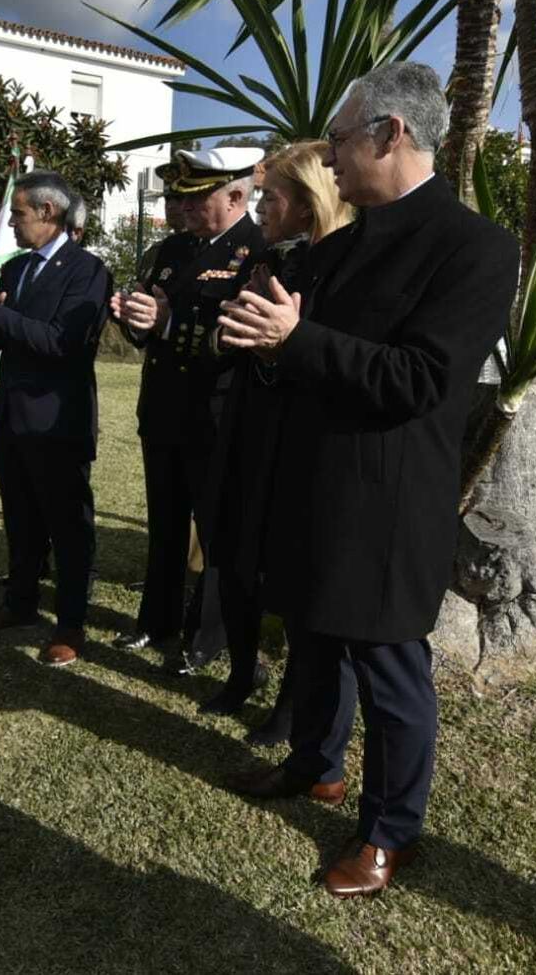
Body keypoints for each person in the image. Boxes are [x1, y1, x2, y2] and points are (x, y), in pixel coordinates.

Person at [217, 63, 518, 897]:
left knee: (388, 670)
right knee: (314, 638)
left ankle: (391, 830)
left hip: (387, 499)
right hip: (311, 481)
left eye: (342, 138)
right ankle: (315, 763)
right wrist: (260, 341)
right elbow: (291, 353)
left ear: (391, 134)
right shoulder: (338, 247)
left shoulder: (476, 248)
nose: (330, 157)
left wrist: (296, 340)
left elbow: (423, 379)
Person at [203, 141, 352, 745]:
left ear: (309, 202)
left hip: (297, 444)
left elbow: (329, 360)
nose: (261, 207)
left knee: (290, 579)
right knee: (234, 562)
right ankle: (241, 675)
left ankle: (291, 708)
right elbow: (224, 336)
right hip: (245, 430)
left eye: (272, 197)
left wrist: (280, 341)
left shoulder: (342, 267)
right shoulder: (268, 260)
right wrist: (233, 332)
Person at [110, 147, 264, 675]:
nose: (187, 207)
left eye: (200, 198)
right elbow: (150, 322)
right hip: (163, 409)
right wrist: (134, 319)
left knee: (215, 532)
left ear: (236, 196)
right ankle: (156, 621)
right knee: (165, 524)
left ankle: (205, 638)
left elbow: (236, 338)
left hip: (215, 416)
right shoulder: (174, 248)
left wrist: (169, 323)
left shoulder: (258, 252)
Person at [0, 171, 111, 667]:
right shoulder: (16, 268)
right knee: (20, 519)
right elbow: (1, 340)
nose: (12, 224)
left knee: (68, 525)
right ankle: (19, 603)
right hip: (12, 418)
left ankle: (70, 624)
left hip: (57, 421)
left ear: (47, 212)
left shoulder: (87, 271)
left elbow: (63, 343)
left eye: (17, 214)